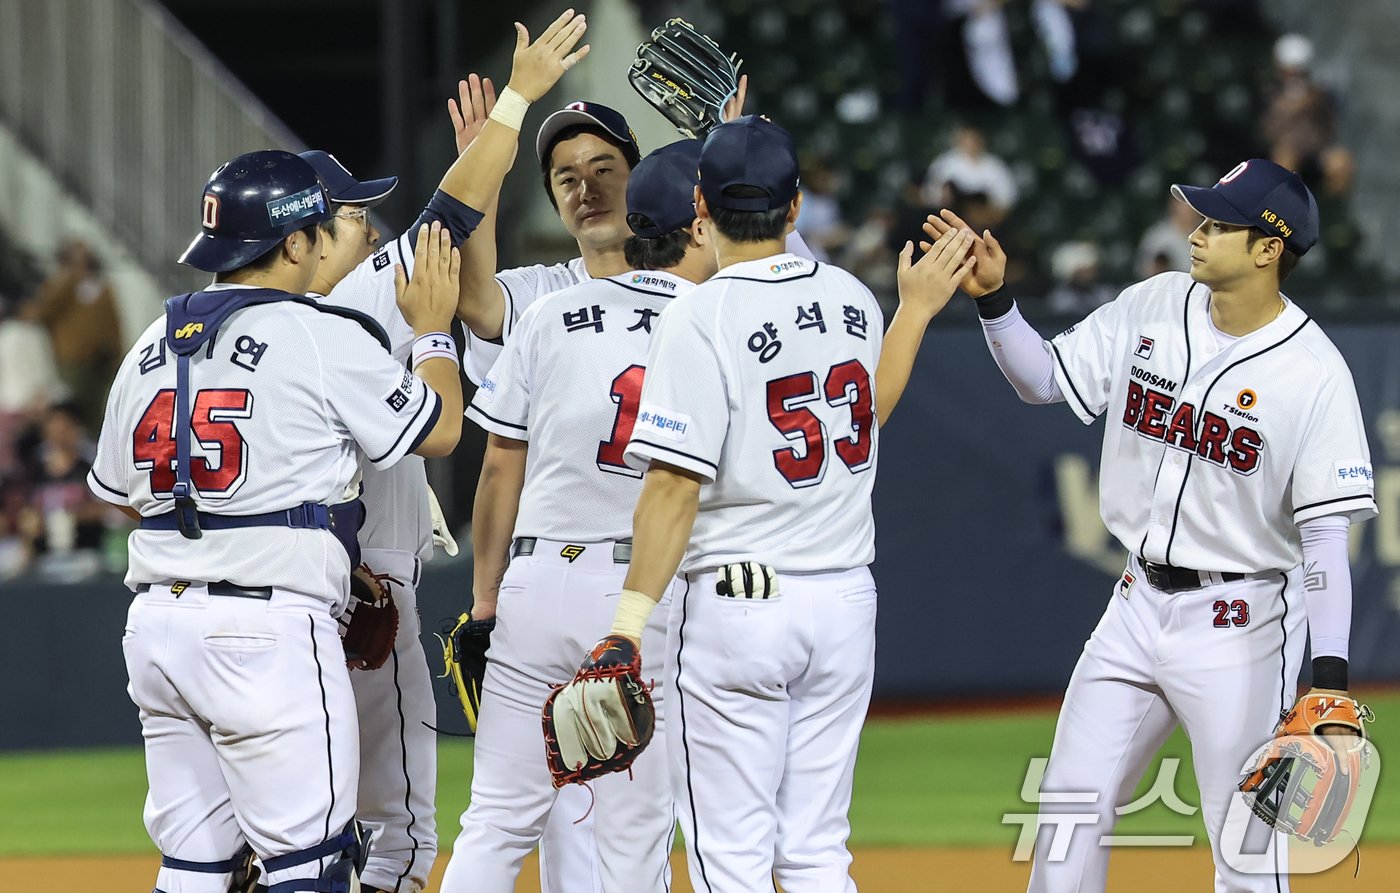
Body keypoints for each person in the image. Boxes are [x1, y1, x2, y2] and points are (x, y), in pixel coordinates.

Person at [927, 158, 1376, 892]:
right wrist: (997, 303)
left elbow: (1326, 537)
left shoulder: (1316, 373)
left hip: (1244, 621)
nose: (1196, 232)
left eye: (1218, 223)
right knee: (1069, 809)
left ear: (1269, 248)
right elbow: (1044, 379)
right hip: (1135, 604)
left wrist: (1327, 675)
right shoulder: (1156, 302)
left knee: (1246, 855)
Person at [551, 116, 973, 892]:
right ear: (796, 207)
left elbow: (673, 486)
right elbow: (868, 413)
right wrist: (913, 311)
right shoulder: (849, 296)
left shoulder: (699, 313)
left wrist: (626, 629)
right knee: (816, 852)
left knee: (732, 858)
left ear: (701, 205)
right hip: (844, 604)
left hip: (741, 609)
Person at [86, 150, 466, 893]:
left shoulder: (149, 344)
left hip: (157, 632)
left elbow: (120, 490)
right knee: (309, 868)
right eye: (322, 226)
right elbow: (442, 427)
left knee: (195, 869)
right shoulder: (317, 334)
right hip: (266, 632)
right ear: (293, 242)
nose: (329, 239)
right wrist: (432, 334)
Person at [301, 13, 590, 890]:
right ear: (303, 239)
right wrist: (517, 100)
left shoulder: (216, 329)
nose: (369, 225)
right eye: (353, 214)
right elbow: (446, 219)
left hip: (277, 604)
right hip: (360, 596)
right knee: (404, 843)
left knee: (289, 833)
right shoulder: (356, 300)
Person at [440, 137, 714, 893]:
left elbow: (499, 467)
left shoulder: (551, 312)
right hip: (638, 591)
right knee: (631, 833)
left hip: (534, 581)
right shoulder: (708, 316)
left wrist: (486, 602)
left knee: (495, 819)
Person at [22, 239, 123, 429]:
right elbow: (45, 311)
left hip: (100, 360)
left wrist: (116, 353)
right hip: (71, 360)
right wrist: (70, 279)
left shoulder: (102, 288)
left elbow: (113, 323)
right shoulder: (59, 285)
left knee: (98, 411)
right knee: (73, 410)